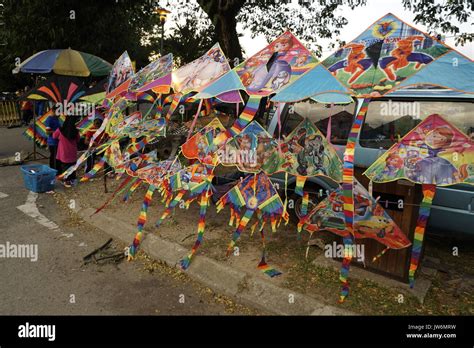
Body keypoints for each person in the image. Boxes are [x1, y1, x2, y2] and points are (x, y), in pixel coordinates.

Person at [53, 116, 80, 187]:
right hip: (72, 152)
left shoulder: (60, 130)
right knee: (73, 166)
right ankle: (73, 180)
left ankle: (67, 181)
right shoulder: (76, 131)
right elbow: (78, 140)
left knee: (65, 166)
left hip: (63, 152)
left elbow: (54, 136)